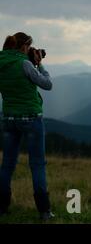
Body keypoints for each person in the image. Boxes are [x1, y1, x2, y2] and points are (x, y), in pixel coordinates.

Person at [0, 32, 54, 221]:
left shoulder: (1, 62)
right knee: (37, 164)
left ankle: (2, 207)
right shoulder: (25, 64)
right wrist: (40, 65)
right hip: (31, 118)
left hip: (8, 118)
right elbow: (47, 84)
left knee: (6, 165)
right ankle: (44, 210)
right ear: (23, 47)